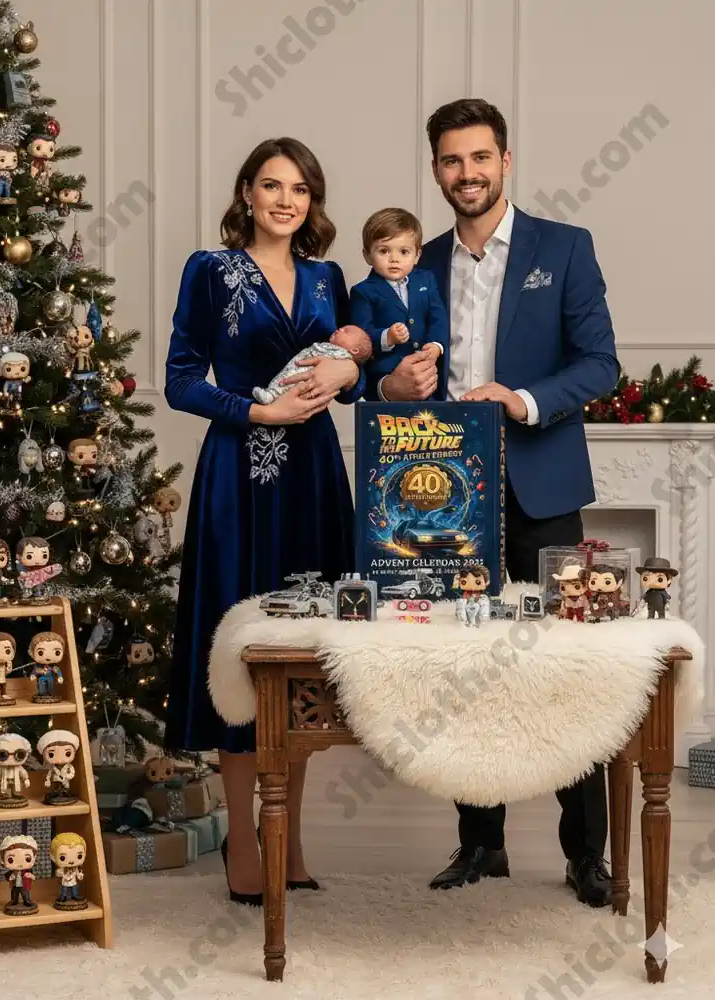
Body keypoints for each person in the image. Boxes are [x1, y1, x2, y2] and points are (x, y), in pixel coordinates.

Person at [365, 98, 619, 907]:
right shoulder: (417, 262)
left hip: (542, 484)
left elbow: (600, 364)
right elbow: (380, 370)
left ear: (505, 161)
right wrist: (387, 383)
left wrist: (521, 399)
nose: (465, 174)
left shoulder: (564, 248)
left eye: (479, 159)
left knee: (567, 669)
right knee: (465, 664)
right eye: (449, 161)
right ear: (435, 169)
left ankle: (585, 854)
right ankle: (481, 843)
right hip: (445, 497)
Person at [163, 137, 365, 907]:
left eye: (301, 189)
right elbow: (180, 378)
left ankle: (292, 832)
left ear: (312, 202)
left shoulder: (327, 276)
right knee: (239, 649)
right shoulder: (209, 271)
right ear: (246, 192)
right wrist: (258, 410)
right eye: (271, 185)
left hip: (313, 473)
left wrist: (353, 368)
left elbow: (349, 378)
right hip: (237, 476)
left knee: (302, 650)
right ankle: (242, 840)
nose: (286, 199)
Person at [352, 207, 449, 399]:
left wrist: (437, 344)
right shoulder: (363, 292)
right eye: (384, 251)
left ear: (417, 255)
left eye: (404, 251)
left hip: (429, 375)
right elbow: (359, 335)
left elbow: (438, 316)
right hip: (389, 374)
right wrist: (386, 337)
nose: (394, 259)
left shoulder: (426, 281)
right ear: (367, 255)